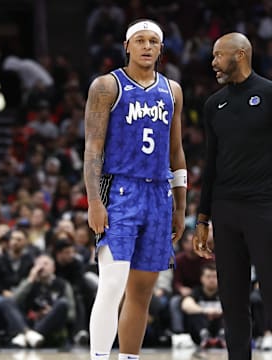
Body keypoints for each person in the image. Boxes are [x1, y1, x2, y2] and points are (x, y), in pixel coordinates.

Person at [83, 19, 187, 360]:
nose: (146, 46)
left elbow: (176, 151)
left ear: (161, 48)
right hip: (120, 191)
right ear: (127, 46)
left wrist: (181, 205)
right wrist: (94, 201)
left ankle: (130, 357)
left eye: (153, 41)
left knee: (142, 292)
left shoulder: (172, 91)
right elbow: (93, 149)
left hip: (159, 194)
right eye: (140, 40)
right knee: (112, 283)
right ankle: (99, 357)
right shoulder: (107, 86)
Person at [192, 32, 272, 360]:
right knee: (233, 299)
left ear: (239, 54)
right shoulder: (214, 104)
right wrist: (202, 219)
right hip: (225, 211)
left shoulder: (269, 94)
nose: (212, 63)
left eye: (217, 55)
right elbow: (210, 165)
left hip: (264, 206)